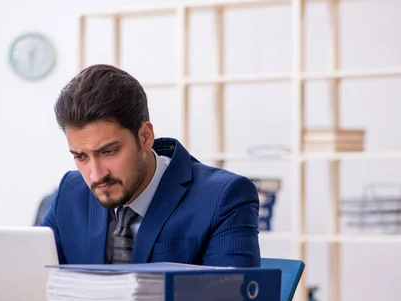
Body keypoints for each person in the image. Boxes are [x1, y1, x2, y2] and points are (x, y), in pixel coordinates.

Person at [40, 64, 261, 268]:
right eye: (81, 157)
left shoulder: (222, 197)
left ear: (145, 136)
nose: (96, 175)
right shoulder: (70, 193)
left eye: (108, 152)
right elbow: (33, 283)